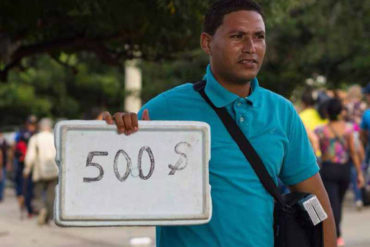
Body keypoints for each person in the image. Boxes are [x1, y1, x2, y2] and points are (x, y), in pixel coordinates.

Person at [103, 1, 336, 246]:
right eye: (238, 36)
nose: (250, 48)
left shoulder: (282, 112)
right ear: (207, 43)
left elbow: (319, 206)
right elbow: (111, 185)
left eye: (259, 37)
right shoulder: (164, 109)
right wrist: (116, 132)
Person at [315, 98, 364, 246]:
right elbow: (354, 153)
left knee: (333, 203)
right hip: (344, 170)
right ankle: (337, 234)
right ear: (341, 111)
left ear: (327, 112)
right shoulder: (349, 128)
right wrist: (359, 173)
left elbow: (315, 149)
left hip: (328, 169)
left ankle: (336, 234)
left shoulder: (320, 130)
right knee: (338, 202)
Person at [24, 118, 58, 225]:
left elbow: (31, 156)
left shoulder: (35, 138)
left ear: (40, 127)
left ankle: (42, 209)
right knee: (51, 195)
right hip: (54, 171)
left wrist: (27, 169)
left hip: (40, 172)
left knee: (38, 194)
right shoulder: (55, 138)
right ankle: (49, 217)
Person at [12, 115, 38, 217]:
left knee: (24, 186)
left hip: (22, 162)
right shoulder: (35, 134)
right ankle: (28, 207)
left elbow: (14, 147)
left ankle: (25, 203)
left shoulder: (20, 133)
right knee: (28, 187)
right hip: (28, 164)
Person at [0, 132, 10, 202]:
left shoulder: (5, 143)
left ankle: (1, 196)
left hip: (2, 164)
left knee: (2, 180)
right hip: (2, 164)